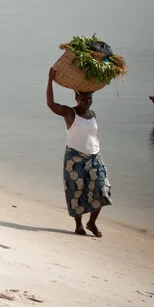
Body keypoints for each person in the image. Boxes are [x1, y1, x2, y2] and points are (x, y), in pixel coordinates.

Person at [46, 67, 111, 237]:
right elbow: (51, 104)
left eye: (89, 98)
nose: (87, 101)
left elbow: (93, 134)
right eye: (83, 99)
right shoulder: (70, 112)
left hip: (94, 157)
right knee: (76, 192)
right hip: (74, 158)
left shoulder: (92, 114)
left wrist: (95, 148)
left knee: (102, 189)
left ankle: (92, 222)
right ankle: (79, 225)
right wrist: (50, 81)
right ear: (76, 98)